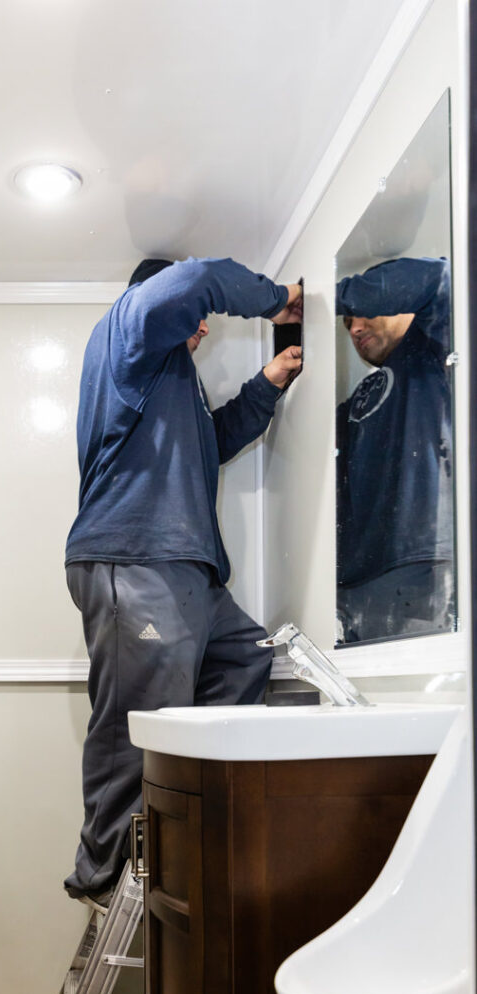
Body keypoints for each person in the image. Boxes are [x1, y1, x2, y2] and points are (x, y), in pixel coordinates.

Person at [64, 256, 303, 907]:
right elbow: (197, 279)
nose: (198, 324)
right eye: (190, 315)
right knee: (135, 720)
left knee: (246, 657)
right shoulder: (130, 333)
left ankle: (188, 813)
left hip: (190, 572)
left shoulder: (172, 385)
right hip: (138, 557)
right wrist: (279, 298)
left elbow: (213, 441)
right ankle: (104, 870)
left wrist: (267, 383)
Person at [335, 256, 454, 644]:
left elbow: (439, 276)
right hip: (358, 580)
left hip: (420, 562)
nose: (354, 328)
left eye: (362, 313)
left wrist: (321, 296)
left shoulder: (431, 349)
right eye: (347, 322)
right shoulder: (351, 405)